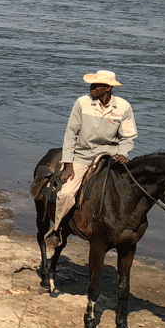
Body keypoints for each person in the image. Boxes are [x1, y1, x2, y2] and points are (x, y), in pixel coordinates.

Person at [47, 69, 138, 243]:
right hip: (82, 156)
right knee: (66, 194)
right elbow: (70, 134)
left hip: (109, 158)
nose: (91, 88)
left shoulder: (124, 107)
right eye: (92, 84)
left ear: (108, 88)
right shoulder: (82, 103)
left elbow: (128, 137)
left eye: (96, 85)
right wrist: (68, 163)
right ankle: (56, 229)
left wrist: (123, 153)